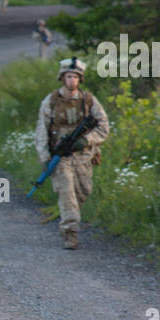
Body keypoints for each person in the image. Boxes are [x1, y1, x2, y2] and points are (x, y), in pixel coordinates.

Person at [34, 57, 110, 250]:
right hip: (61, 157)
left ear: (80, 79)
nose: (72, 81)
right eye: (68, 76)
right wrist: (44, 157)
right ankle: (70, 232)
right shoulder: (51, 101)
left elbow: (103, 127)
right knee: (67, 193)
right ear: (62, 78)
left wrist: (86, 140)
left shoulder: (89, 101)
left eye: (75, 77)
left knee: (83, 192)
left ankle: (70, 220)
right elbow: (41, 131)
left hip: (84, 156)